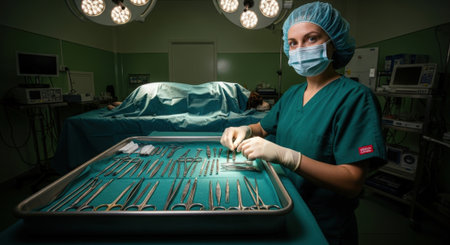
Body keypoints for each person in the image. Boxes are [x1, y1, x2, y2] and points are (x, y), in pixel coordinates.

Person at [220, 2, 386, 244]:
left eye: (311, 39)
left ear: (333, 43)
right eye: (293, 43)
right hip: (284, 206)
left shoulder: (356, 99)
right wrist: (244, 129)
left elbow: (352, 182)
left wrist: (289, 157)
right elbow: (264, 127)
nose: (300, 49)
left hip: (324, 224)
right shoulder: (292, 94)